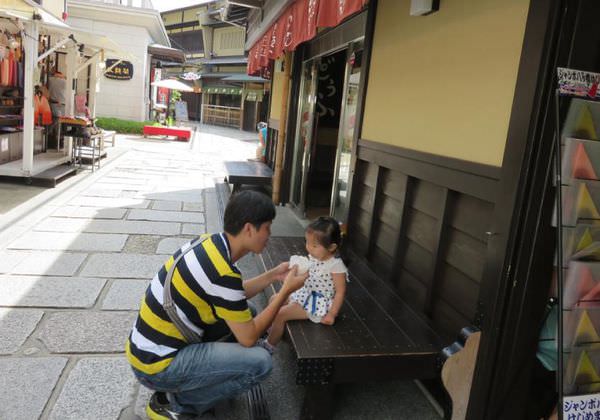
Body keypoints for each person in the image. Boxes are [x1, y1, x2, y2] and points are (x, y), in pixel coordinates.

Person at [126, 190, 309, 419]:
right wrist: (285, 292)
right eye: (267, 228)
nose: (269, 234)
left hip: (146, 350)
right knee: (260, 363)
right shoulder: (223, 273)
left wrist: (273, 276)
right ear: (249, 229)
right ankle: (176, 405)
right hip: (157, 366)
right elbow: (249, 337)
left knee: (248, 311)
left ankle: (195, 385)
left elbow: (232, 294)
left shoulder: (210, 244)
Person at [266, 216, 348, 349]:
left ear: (332, 247)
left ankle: (269, 345)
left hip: (315, 303)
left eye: (314, 245)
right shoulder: (315, 257)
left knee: (281, 314)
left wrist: (332, 314)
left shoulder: (335, 266)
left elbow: (340, 292)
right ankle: (271, 329)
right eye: (307, 242)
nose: (309, 248)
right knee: (274, 299)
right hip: (304, 293)